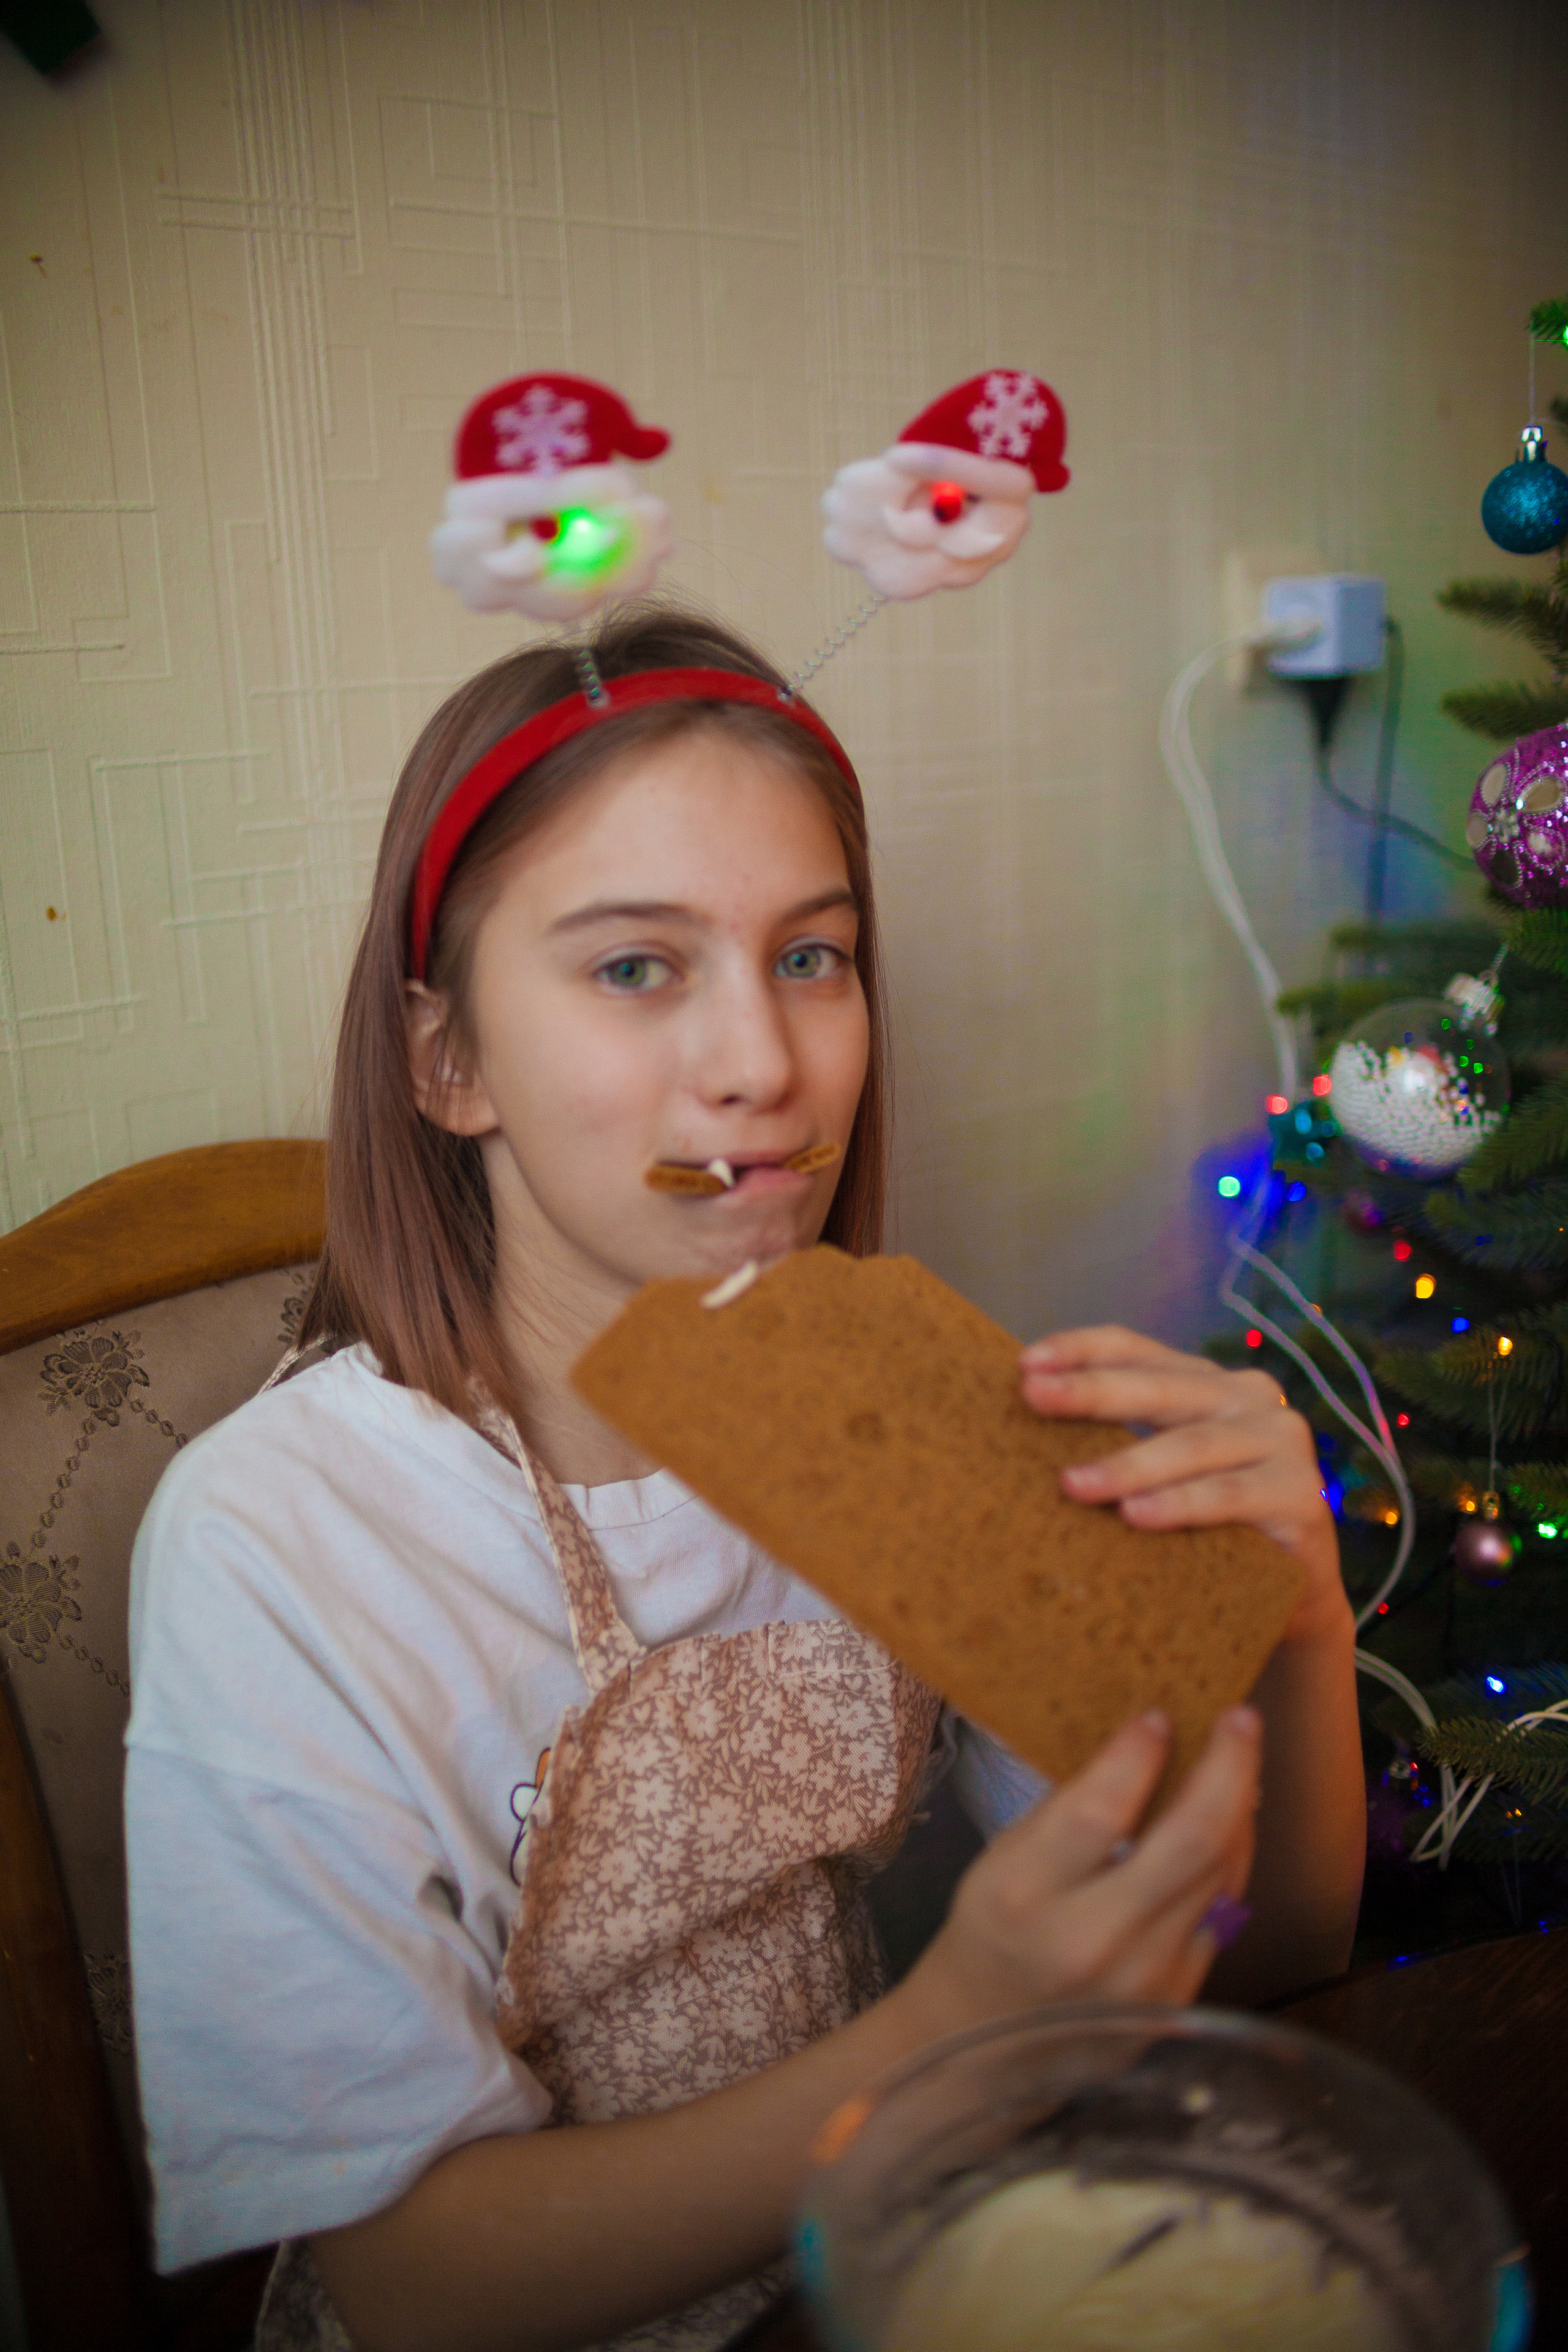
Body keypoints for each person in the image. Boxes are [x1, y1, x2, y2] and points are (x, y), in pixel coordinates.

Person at [125, 605, 1364, 2352]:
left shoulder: (906, 1425)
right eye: (636, 966)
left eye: (812, 956)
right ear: (447, 1060)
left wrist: (1294, 1624)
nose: (768, 1068)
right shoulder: (287, 1538)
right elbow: (410, 2281)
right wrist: (949, 2037)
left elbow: (1264, 1957)